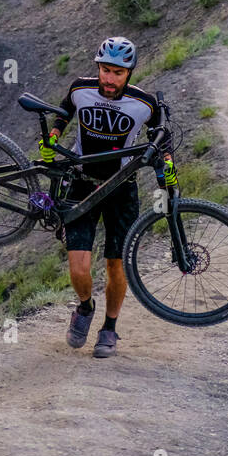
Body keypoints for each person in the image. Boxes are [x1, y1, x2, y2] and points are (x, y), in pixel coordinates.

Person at [39, 36, 158, 358]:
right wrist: (53, 134)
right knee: (79, 268)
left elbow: (161, 137)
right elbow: (63, 112)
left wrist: (167, 167)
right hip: (80, 182)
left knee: (116, 265)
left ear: (129, 73)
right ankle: (85, 307)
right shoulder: (81, 89)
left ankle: (109, 329)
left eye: (118, 73)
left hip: (121, 189)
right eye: (105, 70)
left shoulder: (145, 104)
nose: (109, 79)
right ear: (98, 68)